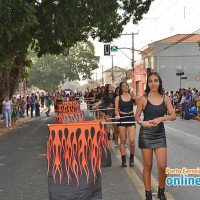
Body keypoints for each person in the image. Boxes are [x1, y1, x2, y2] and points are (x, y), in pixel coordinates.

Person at [135, 72, 176, 200]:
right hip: (146, 134)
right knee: (147, 166)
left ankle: (161, 192)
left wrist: (160, 119)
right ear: (147, 83)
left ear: (159, 82)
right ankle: (148, 194)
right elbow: (137, 117)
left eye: (156, 81)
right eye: (151, 81)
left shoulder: (165, 98)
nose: (153, 84)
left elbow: (173, 116)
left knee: (162, 166)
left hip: (160, 134)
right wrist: (143, 124)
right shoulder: (143, 99)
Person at [115, 82, 138, 167]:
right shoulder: (118, 98)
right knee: (123, 140)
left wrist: (136, 99)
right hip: (122, 118)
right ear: (121, 88)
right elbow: (116, 110)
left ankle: (131, 158)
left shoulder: (132, 96)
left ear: (128, 87)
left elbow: (140, 105)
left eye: (126, 86)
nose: (125, 87)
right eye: (123, 86)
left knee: (132, 140)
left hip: (131, 118)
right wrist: (117, 115)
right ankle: (123, 160)